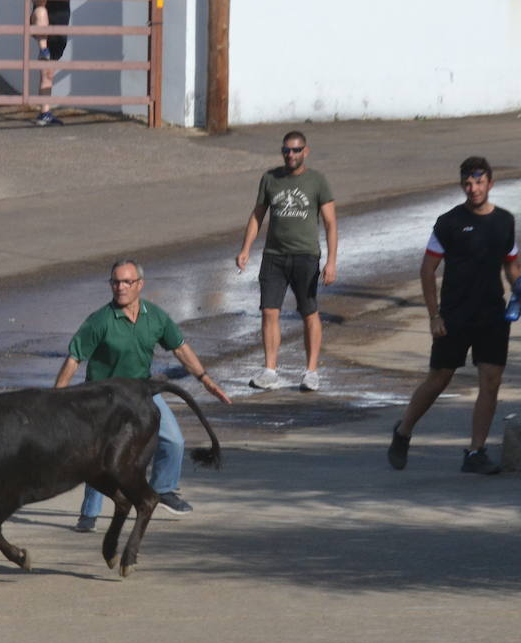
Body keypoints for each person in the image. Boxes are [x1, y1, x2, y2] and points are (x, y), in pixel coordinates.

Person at [55, 258, 232, 531]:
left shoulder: (155, 316)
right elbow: (74, 358)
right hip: (104, 397)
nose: (120, 287)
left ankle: (163, 489)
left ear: (140, 284)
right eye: (115, 282)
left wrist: (205, 379)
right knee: (101, 454)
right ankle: (89, 514)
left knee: (173, 440)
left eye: (127, 282)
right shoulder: (100, 320)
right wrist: (56, 399)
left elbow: (180, 348)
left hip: (141, 392)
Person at [387, 156, 521, 476]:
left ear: (490, 184)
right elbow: (427, 269)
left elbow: (511, 264)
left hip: (493, 314)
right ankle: (403, 431)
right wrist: (434, 316)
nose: (473, 188)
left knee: (490, 381)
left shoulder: (505, 221)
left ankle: (476, 452)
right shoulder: (448, 222)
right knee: (439, 378)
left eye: (479, 182)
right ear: (462, 185)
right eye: (468, 183)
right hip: (454, 314)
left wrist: (519, 287)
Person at [234, 129, 338, 392]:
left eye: (295, 150)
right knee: (269, 311)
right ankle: (270, 370)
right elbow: (257, 216)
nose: (290, 155)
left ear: (305, 151)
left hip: (306, 256)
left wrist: (331, 261)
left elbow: (330, 223)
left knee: (309, 312)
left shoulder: (317, 181)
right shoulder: (270, 179)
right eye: (286, 150)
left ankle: (311, 372)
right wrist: (246, 249)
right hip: (274, 256)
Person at [31, 0, 68, 126]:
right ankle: (43, 49)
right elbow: (38, 3)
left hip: (59, 27)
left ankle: (45, 114)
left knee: (48, 73)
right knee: (41, 10)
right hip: (42, 21)